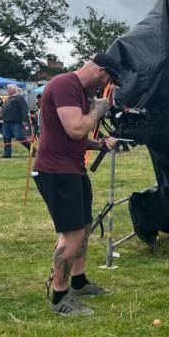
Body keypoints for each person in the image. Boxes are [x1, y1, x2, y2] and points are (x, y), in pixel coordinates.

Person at [33, 53, 120, 316]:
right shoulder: (65, 85)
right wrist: (98, 109)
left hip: (73, 169)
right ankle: (59, 297)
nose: (105, 87)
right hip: (56, 171)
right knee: (71, 233)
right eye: (108, 80)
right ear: (100, 71)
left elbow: (73, 136)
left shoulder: (79, 92)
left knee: (83, 227)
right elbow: (75, 128)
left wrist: (98, 144)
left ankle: (79, 282)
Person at [1, 84, 31, 158]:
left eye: (9, 88)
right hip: (6, 121)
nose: (7, 90)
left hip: (16, 121)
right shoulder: (9, 98)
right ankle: (7, 154)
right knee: (6, 137)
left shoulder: (19, 98)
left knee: (20, 137)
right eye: (7, 88)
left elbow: (24, 109)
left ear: (14, 89)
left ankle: (32, 149)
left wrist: (24, 120)